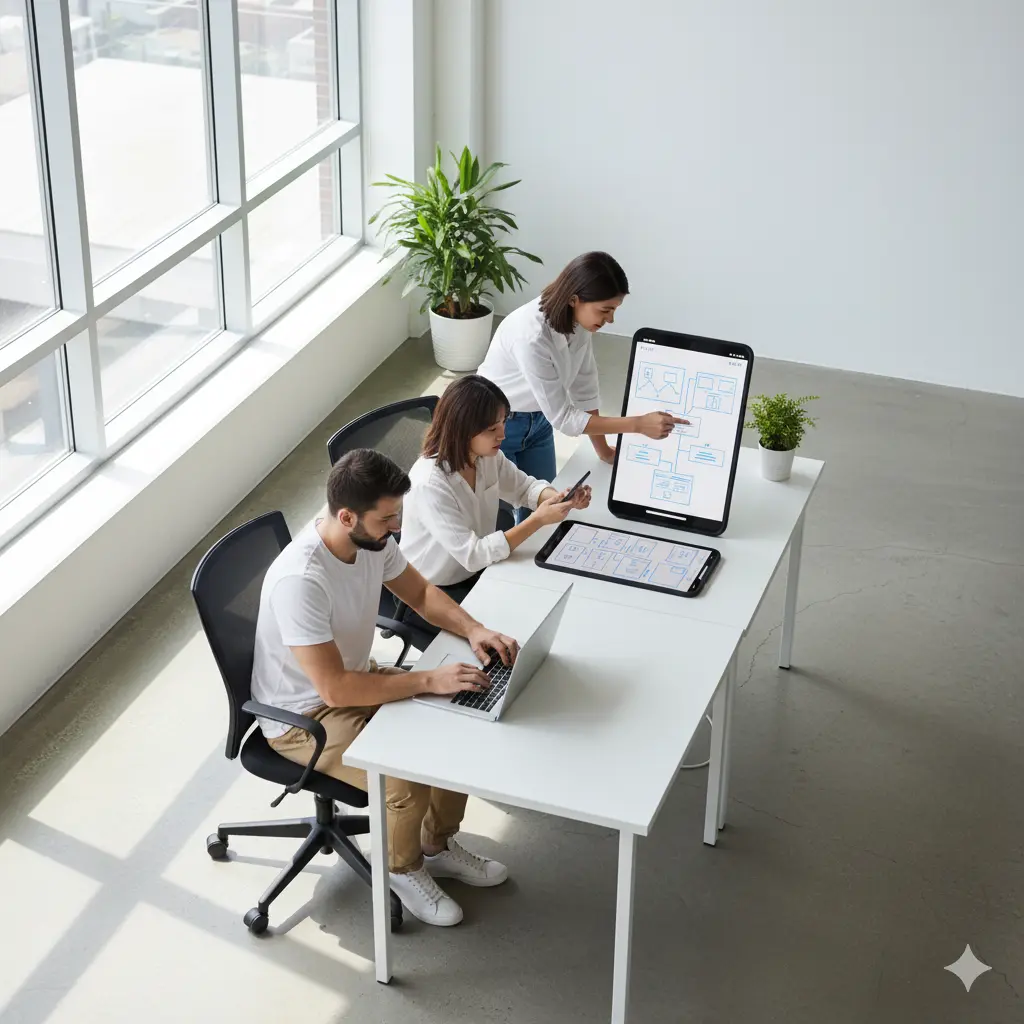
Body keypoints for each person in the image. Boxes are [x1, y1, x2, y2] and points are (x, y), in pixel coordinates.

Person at [250, 448, 520, 928]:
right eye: (387, 518)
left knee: (460, 718)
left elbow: (419, 594)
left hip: (359, 678)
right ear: (347, 516)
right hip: (306, 716)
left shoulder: (372, 541)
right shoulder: (302, 581)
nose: (397, 526)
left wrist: (474, 629)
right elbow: (333, 690)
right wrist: (426, 679)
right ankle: (401, 866)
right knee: (404, 774)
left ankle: (435, 845)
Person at [477, 251, 685, 521]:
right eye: (605, 310)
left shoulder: (579, 324)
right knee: (501, 523)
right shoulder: (530, 336)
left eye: (614, 310)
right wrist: (637, 424)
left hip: (538, 421)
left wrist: (604, 451)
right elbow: (564, 417)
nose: (610, 319)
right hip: (496, 425)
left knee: (547, 508)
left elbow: (585, 390)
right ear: (575, 299)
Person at [399, 375, 592, 600]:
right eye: (491, 429)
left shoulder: (487, 456)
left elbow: (524, 488)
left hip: (480, 569)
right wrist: (538, 519)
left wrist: (560, 498)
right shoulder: (430, 484)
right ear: (461, 429)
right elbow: (473, 555)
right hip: (432, 589)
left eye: (503, 422)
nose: (502, 434)